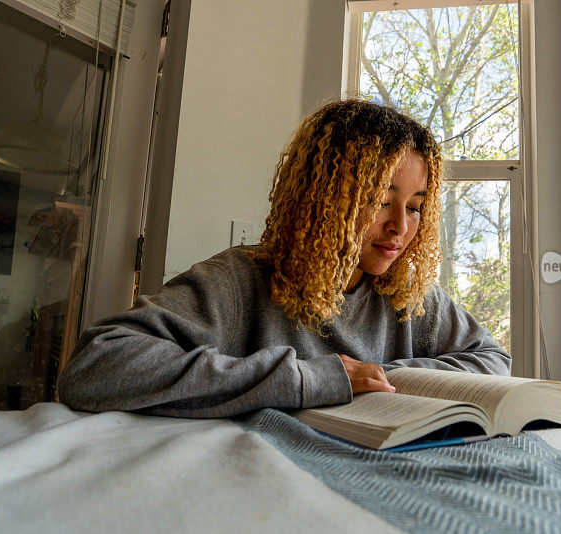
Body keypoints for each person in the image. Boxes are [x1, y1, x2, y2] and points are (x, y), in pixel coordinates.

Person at [57, 99, 510, 418]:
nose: (400, 226)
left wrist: (388, 376)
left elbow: (492, 359)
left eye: (415, 206)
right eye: (378, 199)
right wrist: (307, 379)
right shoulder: (240, 281)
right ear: (323, 196)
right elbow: (96, 365)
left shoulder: (408, 295)